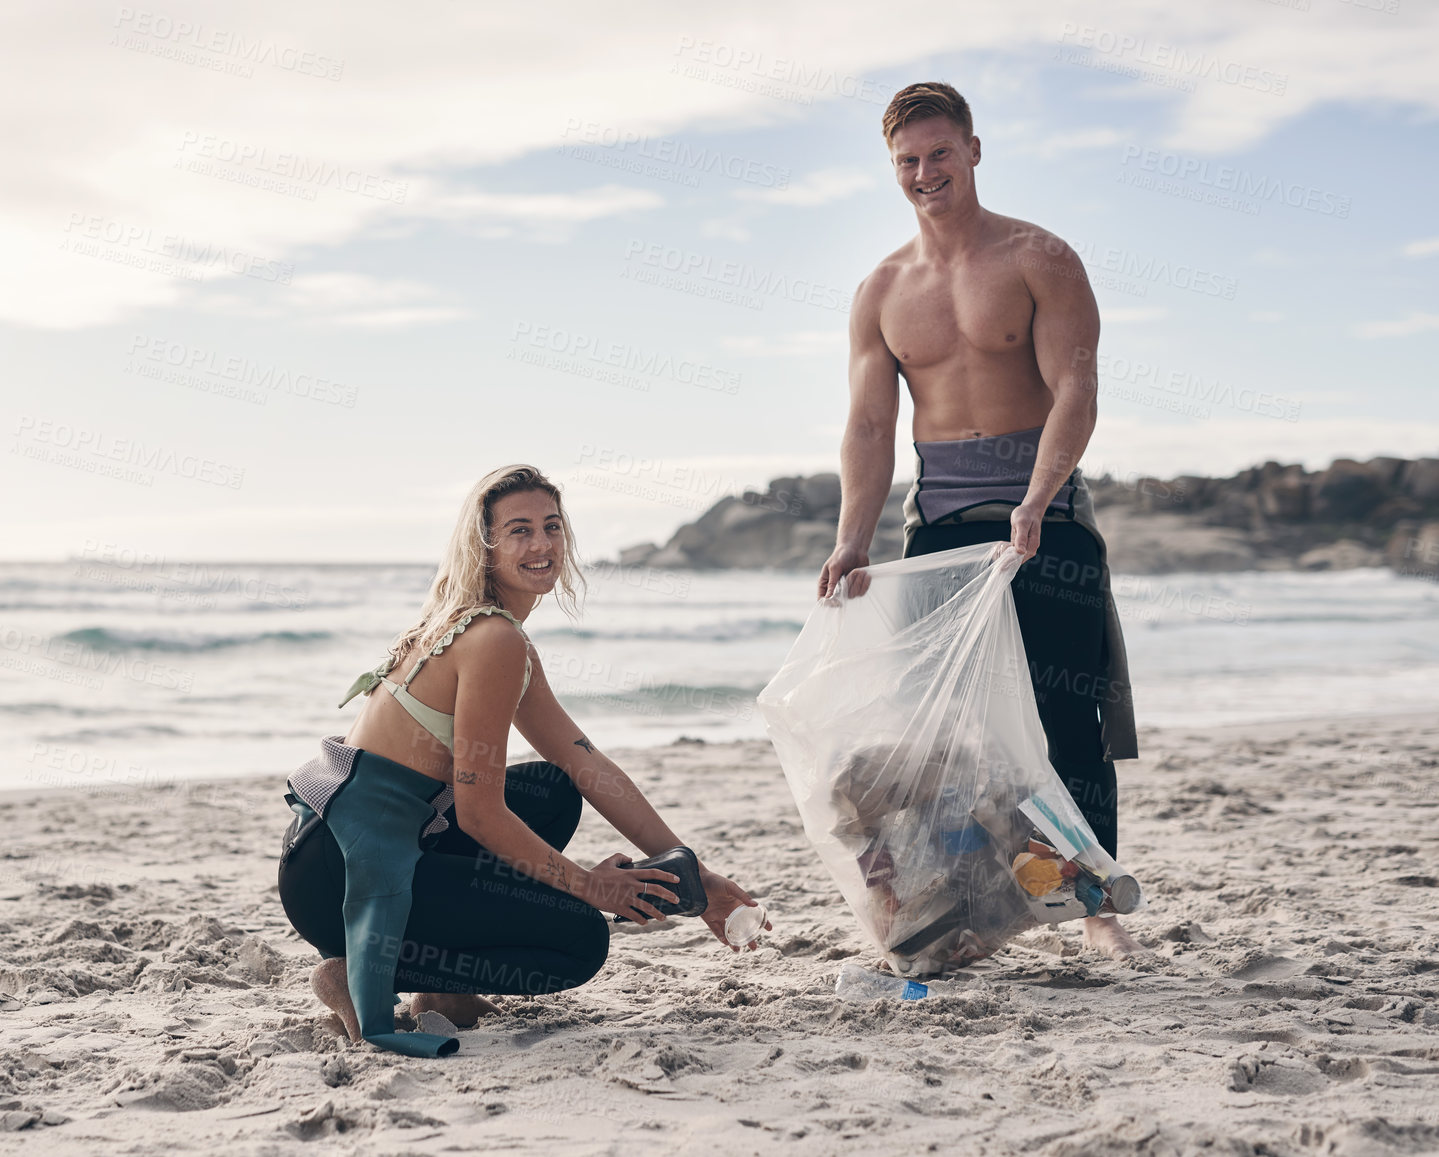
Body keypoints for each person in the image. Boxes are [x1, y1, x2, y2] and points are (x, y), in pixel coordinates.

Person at [814, 82, 1144, 959]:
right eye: (907, 162)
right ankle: (965, 905)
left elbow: (1076, 386)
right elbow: (871, 425)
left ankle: (1093, 906)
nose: (925, 173)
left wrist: (1038, 496)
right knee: (937, 733)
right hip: (942, 527)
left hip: (1048, 516)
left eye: (938, 153)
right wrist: (854, 534)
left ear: (972, 149)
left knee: (1063, 720)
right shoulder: (881, 289)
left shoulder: (1038, 256)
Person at [279, 464, 767, 1055]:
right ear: (485, 547)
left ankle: (442, 994)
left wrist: (689, 868)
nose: (541, 545)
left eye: (551, 527)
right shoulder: (494, 641)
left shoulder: (488, 631)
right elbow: (482, 815)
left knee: (553, 789)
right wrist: (591, 888)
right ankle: (357, 975)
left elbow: (586, 763)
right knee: (579, 940)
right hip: (340, 871)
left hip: (326, 850)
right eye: (518, 530)